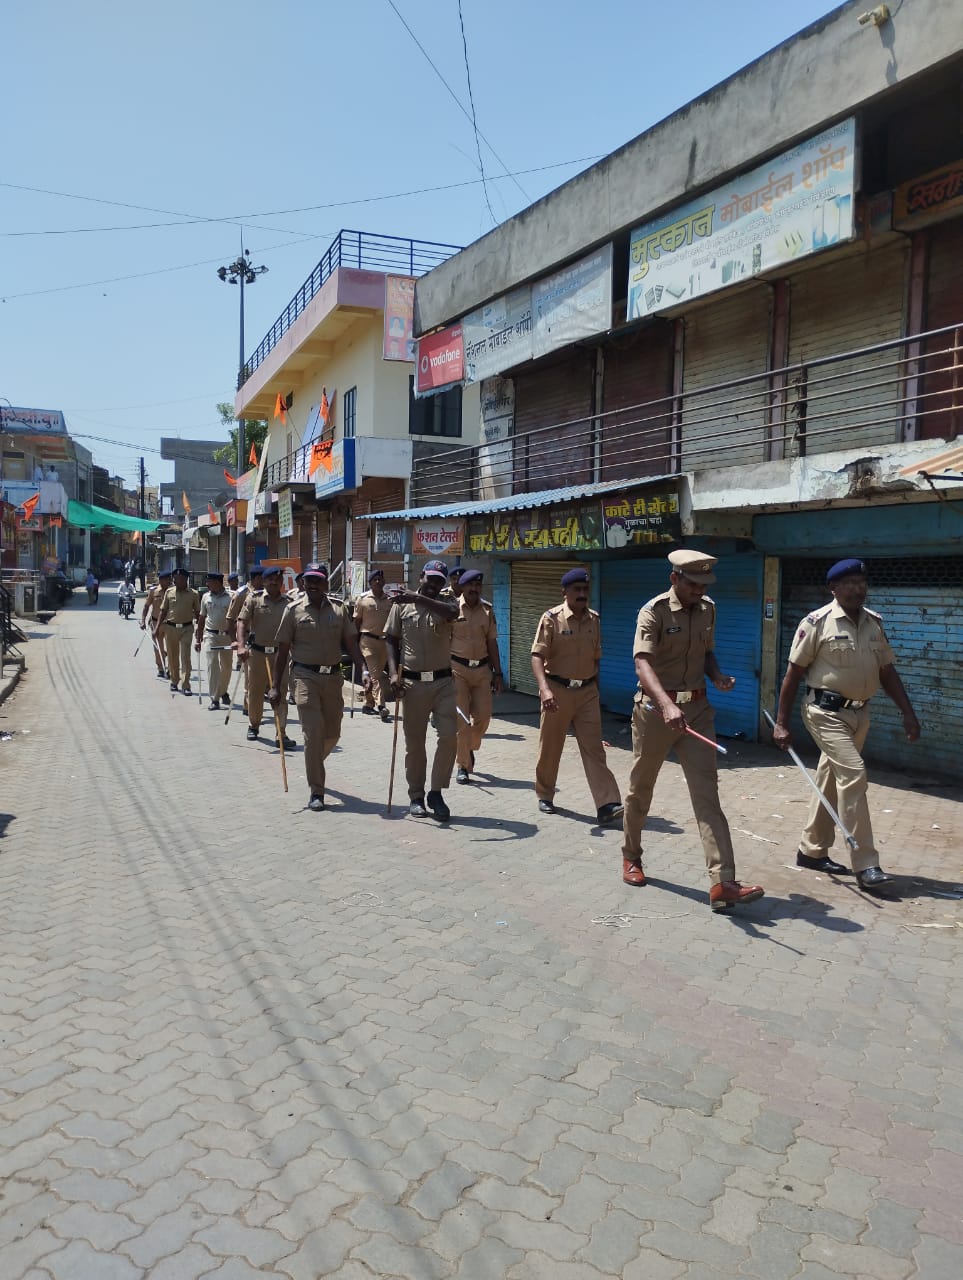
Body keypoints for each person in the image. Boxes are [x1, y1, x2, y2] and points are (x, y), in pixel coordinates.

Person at [620, 550, 764, 910]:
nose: (700, 590)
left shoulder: (708, 609)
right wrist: (667, 704)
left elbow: (707, 652)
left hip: (698, 711)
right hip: (655, 711)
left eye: (705, 584)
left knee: (707, 795)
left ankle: (723, 882)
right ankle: (632, 855)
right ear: (675, 579)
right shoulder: (653, 611)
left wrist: (717, 676)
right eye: (694, 583)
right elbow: (642, 663)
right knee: (641, 789)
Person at [773, 558, 920, 896]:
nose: (857, 589)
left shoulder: (874, 624)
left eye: (861, 582)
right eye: (849, 583)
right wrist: (781, 723)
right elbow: (793, 674)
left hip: (860, 715)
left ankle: (811, 850)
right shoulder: (817, 623)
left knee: (830, 777)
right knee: (853, 774)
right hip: (824, 712)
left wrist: (908, 713)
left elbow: (886, 672)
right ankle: (866, 864)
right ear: (834, 589)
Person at [269, 563, 369, 811]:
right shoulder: (292, 611)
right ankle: (317, 791)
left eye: (317, 580)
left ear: (326, 583)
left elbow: (352, 644)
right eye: (308, 580)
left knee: (333, 734)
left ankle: (313, 762)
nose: (312, 584)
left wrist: (364, 670)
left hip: (334, 679)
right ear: (303, 583)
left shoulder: (339, 609)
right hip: (304, 677)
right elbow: (282, 653)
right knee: (312, 735)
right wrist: (275, 687)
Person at [531, 567, 624, 826]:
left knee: (594, 749)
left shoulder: (594, 619)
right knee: (551, 748)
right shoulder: (551, 618)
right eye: (577, 590)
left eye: (585, 590)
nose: (582, 594)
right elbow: (537, 656)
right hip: (557, 691)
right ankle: (545, 794)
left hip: (587, 693)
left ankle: (607, 804)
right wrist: (545, 690)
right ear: (565, 592)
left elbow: (597, 660)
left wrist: (597, 691)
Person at [384, 560, 460, 820]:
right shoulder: (401, 606)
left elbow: (452, 614)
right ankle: (416, 795)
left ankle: (436, 792)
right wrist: (393, 674)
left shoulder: (447, 603)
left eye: (440, 581)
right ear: (421, 576)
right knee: (415, 744)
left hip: (443, 683)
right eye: (431, 579)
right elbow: (391, 639)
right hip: (412, 685)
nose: (435, 585)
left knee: (449, 737)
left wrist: (417, 597)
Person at [451, 570, 503, 784]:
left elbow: (492, 643)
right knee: (461, 721)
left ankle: (468, 748)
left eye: (477, 585)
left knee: (483, 717)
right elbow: (445, 640)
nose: (474, 589)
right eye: (470, 585)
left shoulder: (487, 610)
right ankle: (463, 765)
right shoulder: (452, 609)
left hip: (482, 671)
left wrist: (498, 673)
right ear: (462, 587)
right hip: (457, 671)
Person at [236, 566, 294, 747]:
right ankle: (253, 725)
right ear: (264, 581)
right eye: (270, 579)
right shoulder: (254, 599)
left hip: (280, 656)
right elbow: (242, 622)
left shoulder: (290, 603)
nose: (274, 582)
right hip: (258, 654)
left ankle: (281, 733)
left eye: (278, 579)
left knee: (281, 693)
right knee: (255, 693)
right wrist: (240, 645)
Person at [353, 568, 393, 721]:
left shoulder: (389, 600)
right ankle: (381, 705)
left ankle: (368, 704)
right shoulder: (362, 599)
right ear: (370, 583)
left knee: (372, 674)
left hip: (384, 642)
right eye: (374, 580)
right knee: (376, 675)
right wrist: (354, 642)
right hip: (367, 641)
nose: (378, 582)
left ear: (383, 582)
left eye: (380, 579)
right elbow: (356, 622)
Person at [158, 566, 201, 694]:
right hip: (170, 628)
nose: (176, 581)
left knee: (185, 657)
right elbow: (163, 611)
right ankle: (174, 681)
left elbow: (198, 613)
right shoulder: (169, 592)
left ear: (186, 579)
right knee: (172, 656)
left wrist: (200, 629)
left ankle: (186, 685)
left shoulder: (194, 594)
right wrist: (156, 628)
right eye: (175, 579)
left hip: (187, 629)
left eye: (180, 579)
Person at [195, 571, 234, 710]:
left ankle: (222, 691)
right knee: (212, 665)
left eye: (209, 582)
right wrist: (198, 639)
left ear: (218, 582)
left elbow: (237, 619)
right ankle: (214, 698)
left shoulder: (231, 597)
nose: (207, 584)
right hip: (210, 635)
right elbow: (201, 618)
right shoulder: (205, 597)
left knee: (227, 667)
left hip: (227, 636)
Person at [226, 568, 263, 712]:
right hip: (247, 638)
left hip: (263, 639)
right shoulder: (242, 593)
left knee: (257, 677)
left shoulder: (264, 593)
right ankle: (248, 706)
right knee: (249, 675)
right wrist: (234, 640)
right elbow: (230, 618)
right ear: (257, 578)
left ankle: (251, 704)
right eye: (264, 578)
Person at [140, 570, 171, 677]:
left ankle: (170, 669)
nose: (169, 582)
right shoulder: (153, 591)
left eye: (169, 580)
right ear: (161, 580)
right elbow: (146, 606)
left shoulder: (173, 591)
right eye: (166, 580)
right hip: (155, 622)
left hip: (170, 624)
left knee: (171, 647)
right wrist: (143, 620)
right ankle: (161, 668)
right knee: (158, 648)